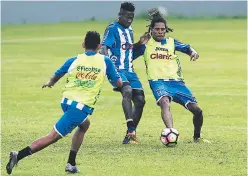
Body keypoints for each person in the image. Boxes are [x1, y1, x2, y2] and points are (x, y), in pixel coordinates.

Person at [6, 31, 123, 175]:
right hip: (79, 108)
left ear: (83, 44)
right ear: (99, 46)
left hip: (66, 102)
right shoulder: (105, 61)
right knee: (52, 137)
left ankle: (71, 163)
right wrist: (120, 82)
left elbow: (58, 74)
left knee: (84, 125)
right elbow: (118, 83)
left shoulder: (74, 59)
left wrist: (50, 83)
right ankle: (19, 155)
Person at [134, 16, 208, 143]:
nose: (160, 31)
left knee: (197, 110)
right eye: (157, 29)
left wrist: (193, 52)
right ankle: (171, 132)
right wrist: (138, 44)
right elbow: (128, 56)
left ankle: (197, 137)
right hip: (158, 81)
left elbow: (187, 48)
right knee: (164, 102)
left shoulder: (171, 42)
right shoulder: (145, 45)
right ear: (151, 30)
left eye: (163, 29)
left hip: (177, 82)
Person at [100, 2, 150, 144]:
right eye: (127, 16)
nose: (129, 20)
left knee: (140, 100)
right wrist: (109, 69)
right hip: (116, 69)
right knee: (127, 91)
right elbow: (103, 49)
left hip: (130, 71)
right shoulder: (112, 28)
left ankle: (130, 134)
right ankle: (130, 127)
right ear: (120, 15)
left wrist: (140, 44)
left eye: (132, 17)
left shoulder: (130, 31)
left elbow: (127, 52)